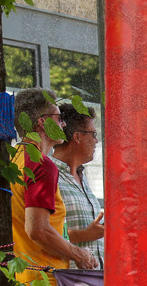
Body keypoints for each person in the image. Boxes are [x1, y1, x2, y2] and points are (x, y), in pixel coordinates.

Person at [10, 88, 97, 286]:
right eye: (58, 118)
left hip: (24, 282)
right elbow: (38, 229)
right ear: (40, 124)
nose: (62, 124)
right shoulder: (41, 164)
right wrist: (79, 254)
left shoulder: (15, 160)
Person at [53, 103, 105, 269]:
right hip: (67, 285)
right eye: (94, 134)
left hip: (93, 282)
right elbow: (39, 231)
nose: (97, 141)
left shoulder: (82, 176)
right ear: (77, 137)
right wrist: (85, 235)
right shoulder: (49, 175)